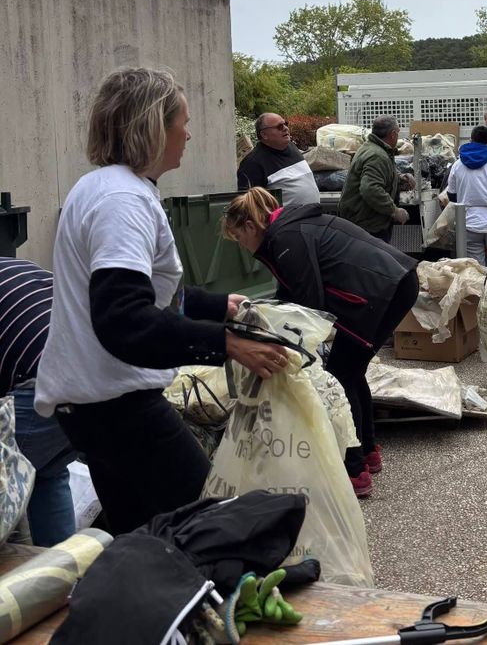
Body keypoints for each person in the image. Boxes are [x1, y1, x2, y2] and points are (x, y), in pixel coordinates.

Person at [34, 68, 289, 535]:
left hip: (91, 405)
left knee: (144, 537)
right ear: (153, 126)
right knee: (209, 529)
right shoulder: (123, 202)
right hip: (118, 405)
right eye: (182, 122)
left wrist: (217, 306)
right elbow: (124, 319)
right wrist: (229, 344)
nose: (188, 134)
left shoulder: (102, 187)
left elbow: (143, 292)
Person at [223, 187, 419, 498]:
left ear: (250, 226)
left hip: (380, 288)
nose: (242, 246)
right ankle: (368, 452)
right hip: (393, 281)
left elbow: (308, 303)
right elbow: (290, 293)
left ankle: (354, 469)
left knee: (341, 373)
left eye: (238, 238)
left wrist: (287, 349)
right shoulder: (286, 231)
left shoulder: (285, 240)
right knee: (351, 369)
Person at [0, 258, 76, 546]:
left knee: (10, 473)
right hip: (97, 374)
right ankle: (61, 571)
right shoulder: (13, 268)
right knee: (48, 470)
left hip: (46, 376)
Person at [339, 116, 408, 242]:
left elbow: (380, 172)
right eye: (398, 132)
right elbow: (370, 188)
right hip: (368, 226)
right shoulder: (377, 155)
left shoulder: (372, 148)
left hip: (365, 223)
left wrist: (400, 177)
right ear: (393, 134)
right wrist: (394, 211)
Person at [446, 125, 487, 266]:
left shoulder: (457, 165)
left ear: (471, 140)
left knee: (475, 270)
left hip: (468, 223)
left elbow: (452, 195)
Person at [236, 113, 319, 205]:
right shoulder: (252, 164)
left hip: (313, 211)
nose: (285, 128)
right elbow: (249, 205)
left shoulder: (291, 147)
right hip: (286, 214)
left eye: (285, 124)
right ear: (264, 134)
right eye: (279, 127)